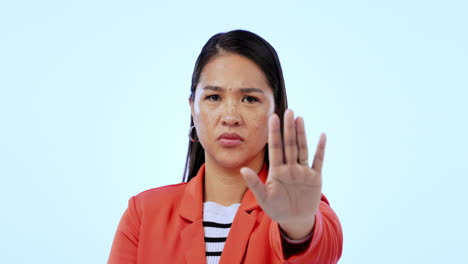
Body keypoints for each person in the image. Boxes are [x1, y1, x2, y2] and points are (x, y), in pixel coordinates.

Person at [108, 29, 343, 264]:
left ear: (276, 112)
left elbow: (320, 250)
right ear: (192, 107)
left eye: (250, 99)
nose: (230, 117)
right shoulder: (143, 214)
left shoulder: (302, 209)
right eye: (214, 97)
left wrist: (297, 228)